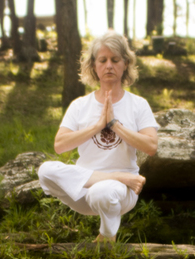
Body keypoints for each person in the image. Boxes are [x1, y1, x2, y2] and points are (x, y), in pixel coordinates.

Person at [37, 31, 159, 242]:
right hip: (84, 188)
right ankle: (116, 177)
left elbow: (151, 146)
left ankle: (106, 236)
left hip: (122, 192)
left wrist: (114, 124)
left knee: (102, 192)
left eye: (115, 60)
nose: (109, 65)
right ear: (94, 66)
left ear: (126, 63)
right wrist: (97, 126)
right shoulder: (80, 105)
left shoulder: (138, 105)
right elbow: (59, 145)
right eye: (103, 60)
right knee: (45, 170)